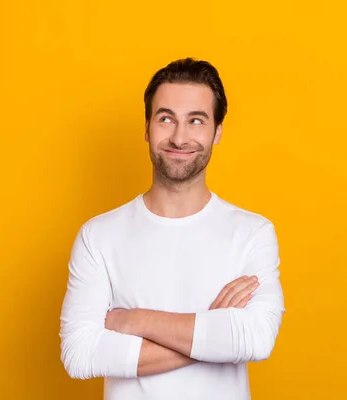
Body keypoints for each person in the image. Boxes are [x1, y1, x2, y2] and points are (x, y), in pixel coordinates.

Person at [59, 58, 285, 400]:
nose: (180, 137)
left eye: (196, 120)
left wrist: (134, 320)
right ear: (147, 128)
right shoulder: (98, 236)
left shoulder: (253, 233)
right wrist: (213, 332)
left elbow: (254, 338)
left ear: (217, 132)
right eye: (166, 119)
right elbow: (80, 354)